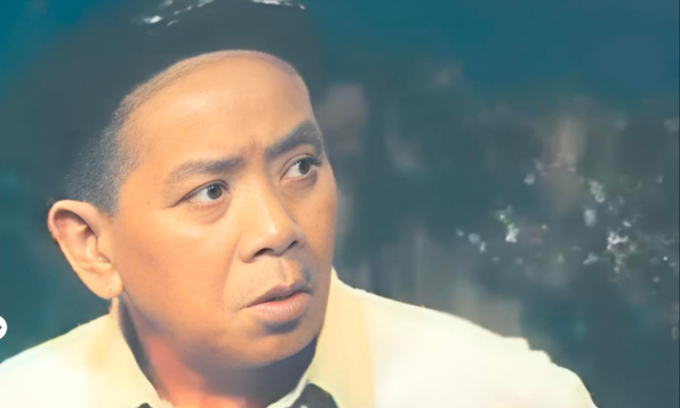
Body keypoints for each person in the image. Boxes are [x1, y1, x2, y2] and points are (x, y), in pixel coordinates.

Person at [0, 50, 598, 408]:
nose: (277, 227)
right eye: (210, 191)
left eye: (301, 167)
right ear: (92, 247)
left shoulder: (507, 395)